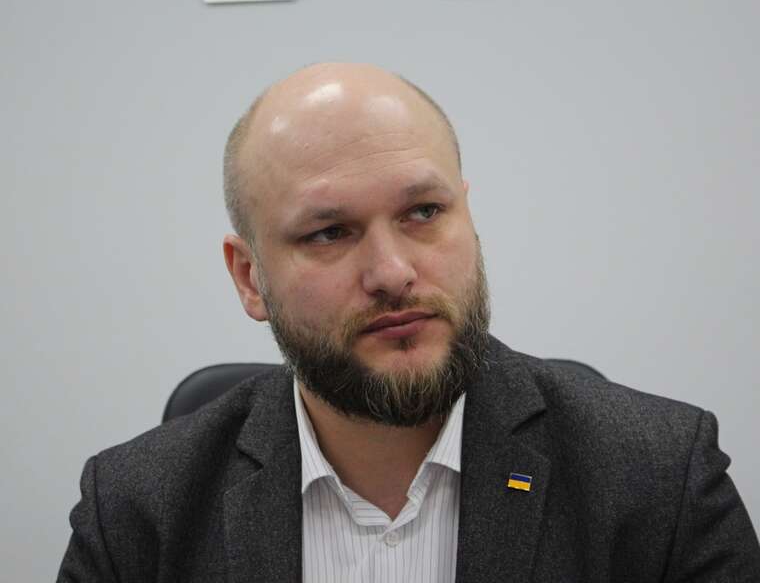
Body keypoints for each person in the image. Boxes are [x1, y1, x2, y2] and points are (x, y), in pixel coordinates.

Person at [58, 62, 760, 582]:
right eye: (329, 232)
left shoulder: (660, 479)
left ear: (468, 218)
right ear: (249, 277)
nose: (392, 272)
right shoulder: (135, 512)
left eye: (424, 212)